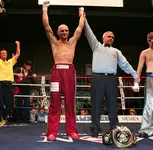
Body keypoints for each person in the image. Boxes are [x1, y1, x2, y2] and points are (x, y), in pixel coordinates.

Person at [84, 14, 140, 137]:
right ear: (103, 38)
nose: (111, 38)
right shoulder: (96, 46)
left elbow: (125, 64)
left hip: (111, 79)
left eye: (113, 37)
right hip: (97, 78)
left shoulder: (116, 52)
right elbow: (89, 33)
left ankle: (114, 128)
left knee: (112, 104)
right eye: (109, 36)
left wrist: (135, 75)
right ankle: (94, 129)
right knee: (96, 104)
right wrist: (84, 19)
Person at [42, 1, 84, 140]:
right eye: (62, 30)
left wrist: (82, 13)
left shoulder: (73, 42)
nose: (65, 32)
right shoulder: (54, 42)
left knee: (70, 102)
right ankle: (52, 132)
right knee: (54, 102)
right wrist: (44, 8)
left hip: (69, 72)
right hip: (56, 72)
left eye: (66, 30)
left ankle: (71, 130)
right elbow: (46, 26)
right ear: (58, 32)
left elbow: (80, 27)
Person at [0, 41, 20, 127]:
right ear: (0, 55)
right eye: (3, 53)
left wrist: (18, 44)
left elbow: (18, 54)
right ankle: (0, 119)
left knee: (9, 103)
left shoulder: (10, 62)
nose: (4, 54)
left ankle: (4, 117)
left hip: (8, 84)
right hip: (0, 84)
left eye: (5, 53)